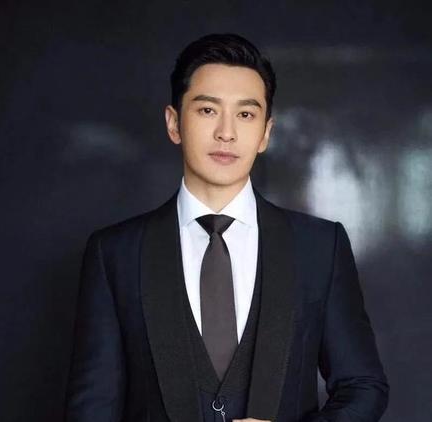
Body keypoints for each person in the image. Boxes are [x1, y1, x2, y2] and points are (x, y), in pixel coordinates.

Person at [65, 33, 389, 422]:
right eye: (207, 110)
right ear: (174, 123)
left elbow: (363, 386)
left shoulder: (320, 247)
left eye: (246, 115)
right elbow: (92, 408)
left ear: (265, 133)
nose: (227, 132)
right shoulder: (114, 253)